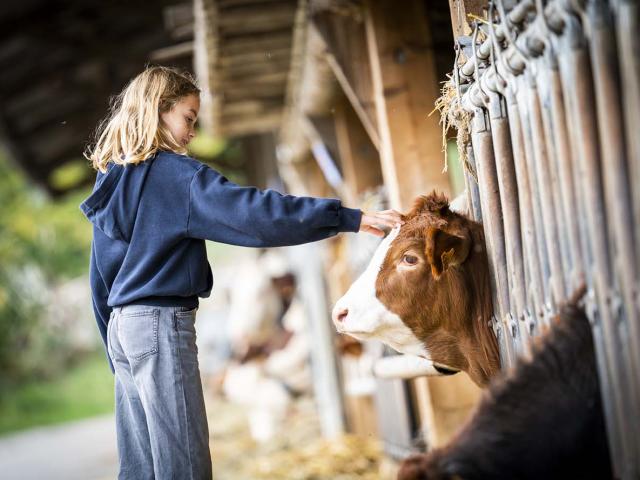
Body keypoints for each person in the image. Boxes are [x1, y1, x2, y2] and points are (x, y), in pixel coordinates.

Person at [79, 65, 402, 480]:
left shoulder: (112, 180)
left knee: (141, 467)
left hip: (123, 329)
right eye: (188, 118)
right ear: (159, 110)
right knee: (184, 466)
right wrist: (347, 218)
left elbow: (99, 276)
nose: (193, 133)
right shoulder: (177, 178)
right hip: (159, 323)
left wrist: (116, 346)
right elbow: (256, 214)